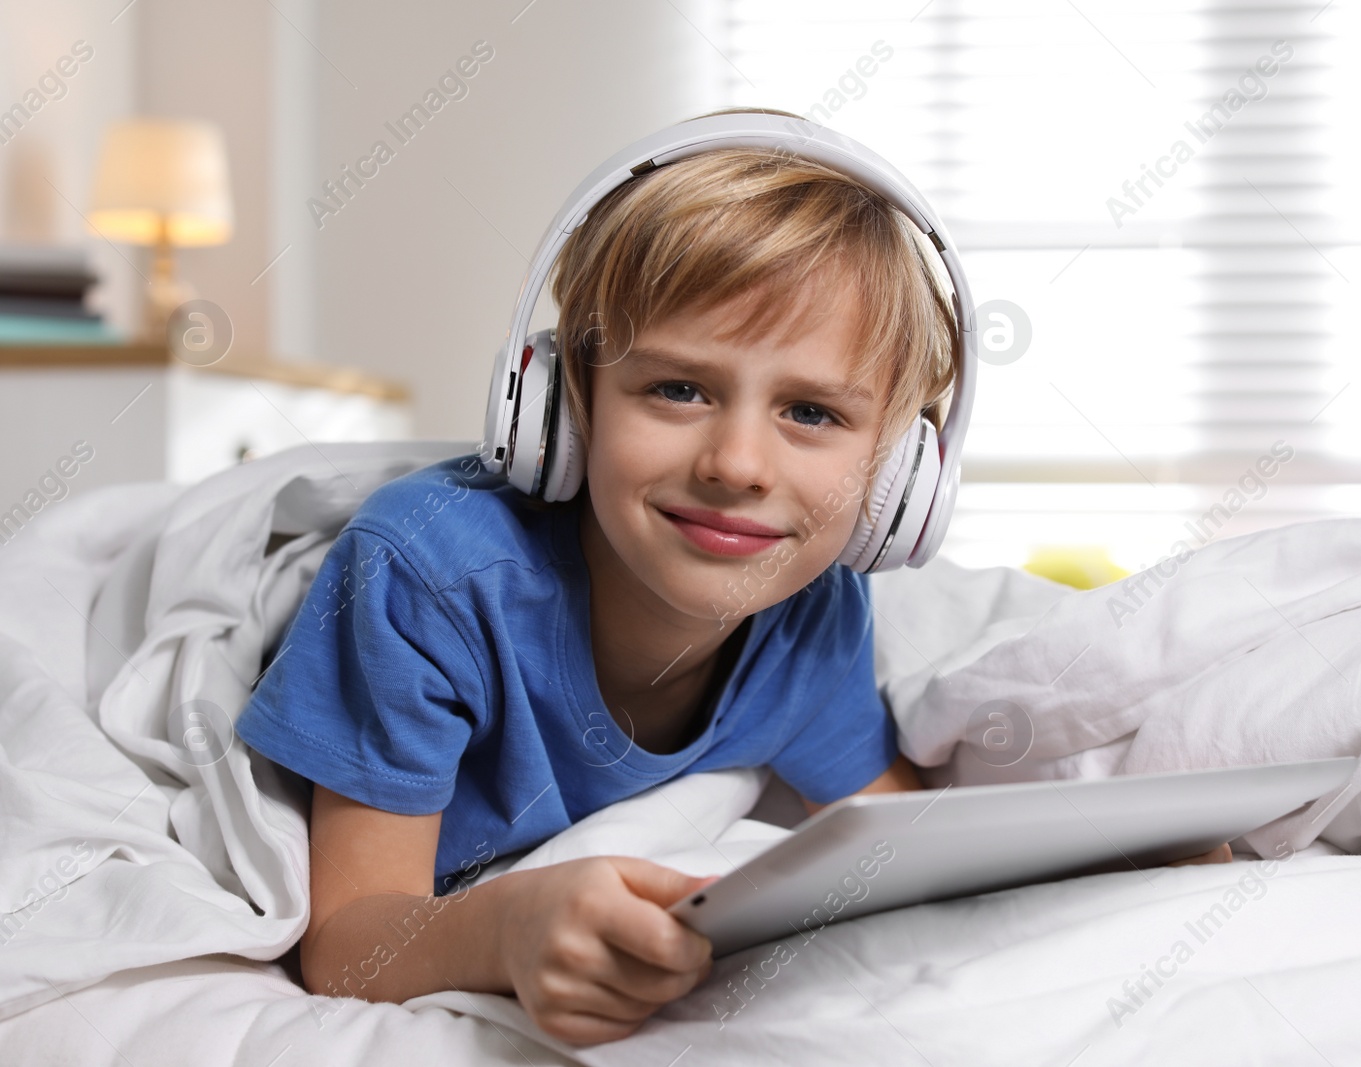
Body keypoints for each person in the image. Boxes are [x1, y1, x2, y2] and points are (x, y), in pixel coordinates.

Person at [234, 110, 1228, 1048]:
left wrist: (1102, 857)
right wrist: (506, 926)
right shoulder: (430, 575)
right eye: (676, 387)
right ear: (562, 404)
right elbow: (348, 942)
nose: (738, 463)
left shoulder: (812, 610)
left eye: (811, 413)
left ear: (896, 478)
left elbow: (892, 835)